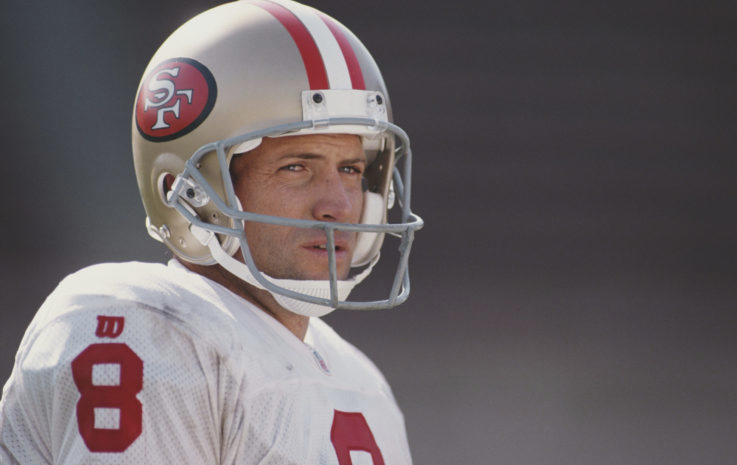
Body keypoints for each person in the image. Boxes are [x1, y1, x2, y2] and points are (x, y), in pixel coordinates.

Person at [0, 1, 423, 463]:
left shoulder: (362, 384)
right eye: (296, 167)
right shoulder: (148, 323)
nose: (339, 205)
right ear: (192, 187)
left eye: (350, 169)